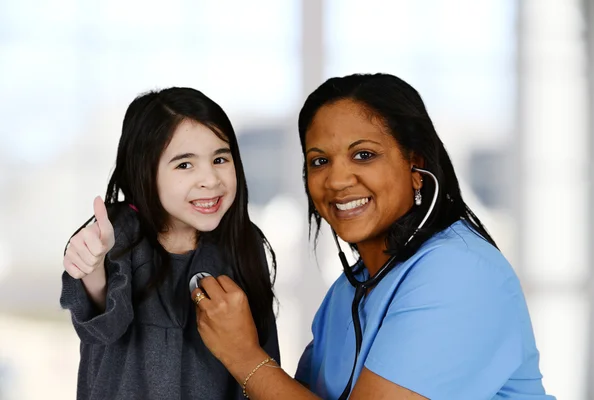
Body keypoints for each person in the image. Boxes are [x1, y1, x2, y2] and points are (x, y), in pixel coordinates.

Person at [190, 73, 555, 400]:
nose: (336, 180)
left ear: (417, 167)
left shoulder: (459, 272)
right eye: (319, 161)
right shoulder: (350, 289)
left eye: (364, 155)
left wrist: (243, 355)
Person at [60, 87, 280, 400]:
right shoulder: (116, 233)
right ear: (145, 172)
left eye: (220, 159)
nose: (211, 180)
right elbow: (104, 325)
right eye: (184, 165)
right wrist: (93, 269)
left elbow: (262, 367)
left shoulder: (243, 242)